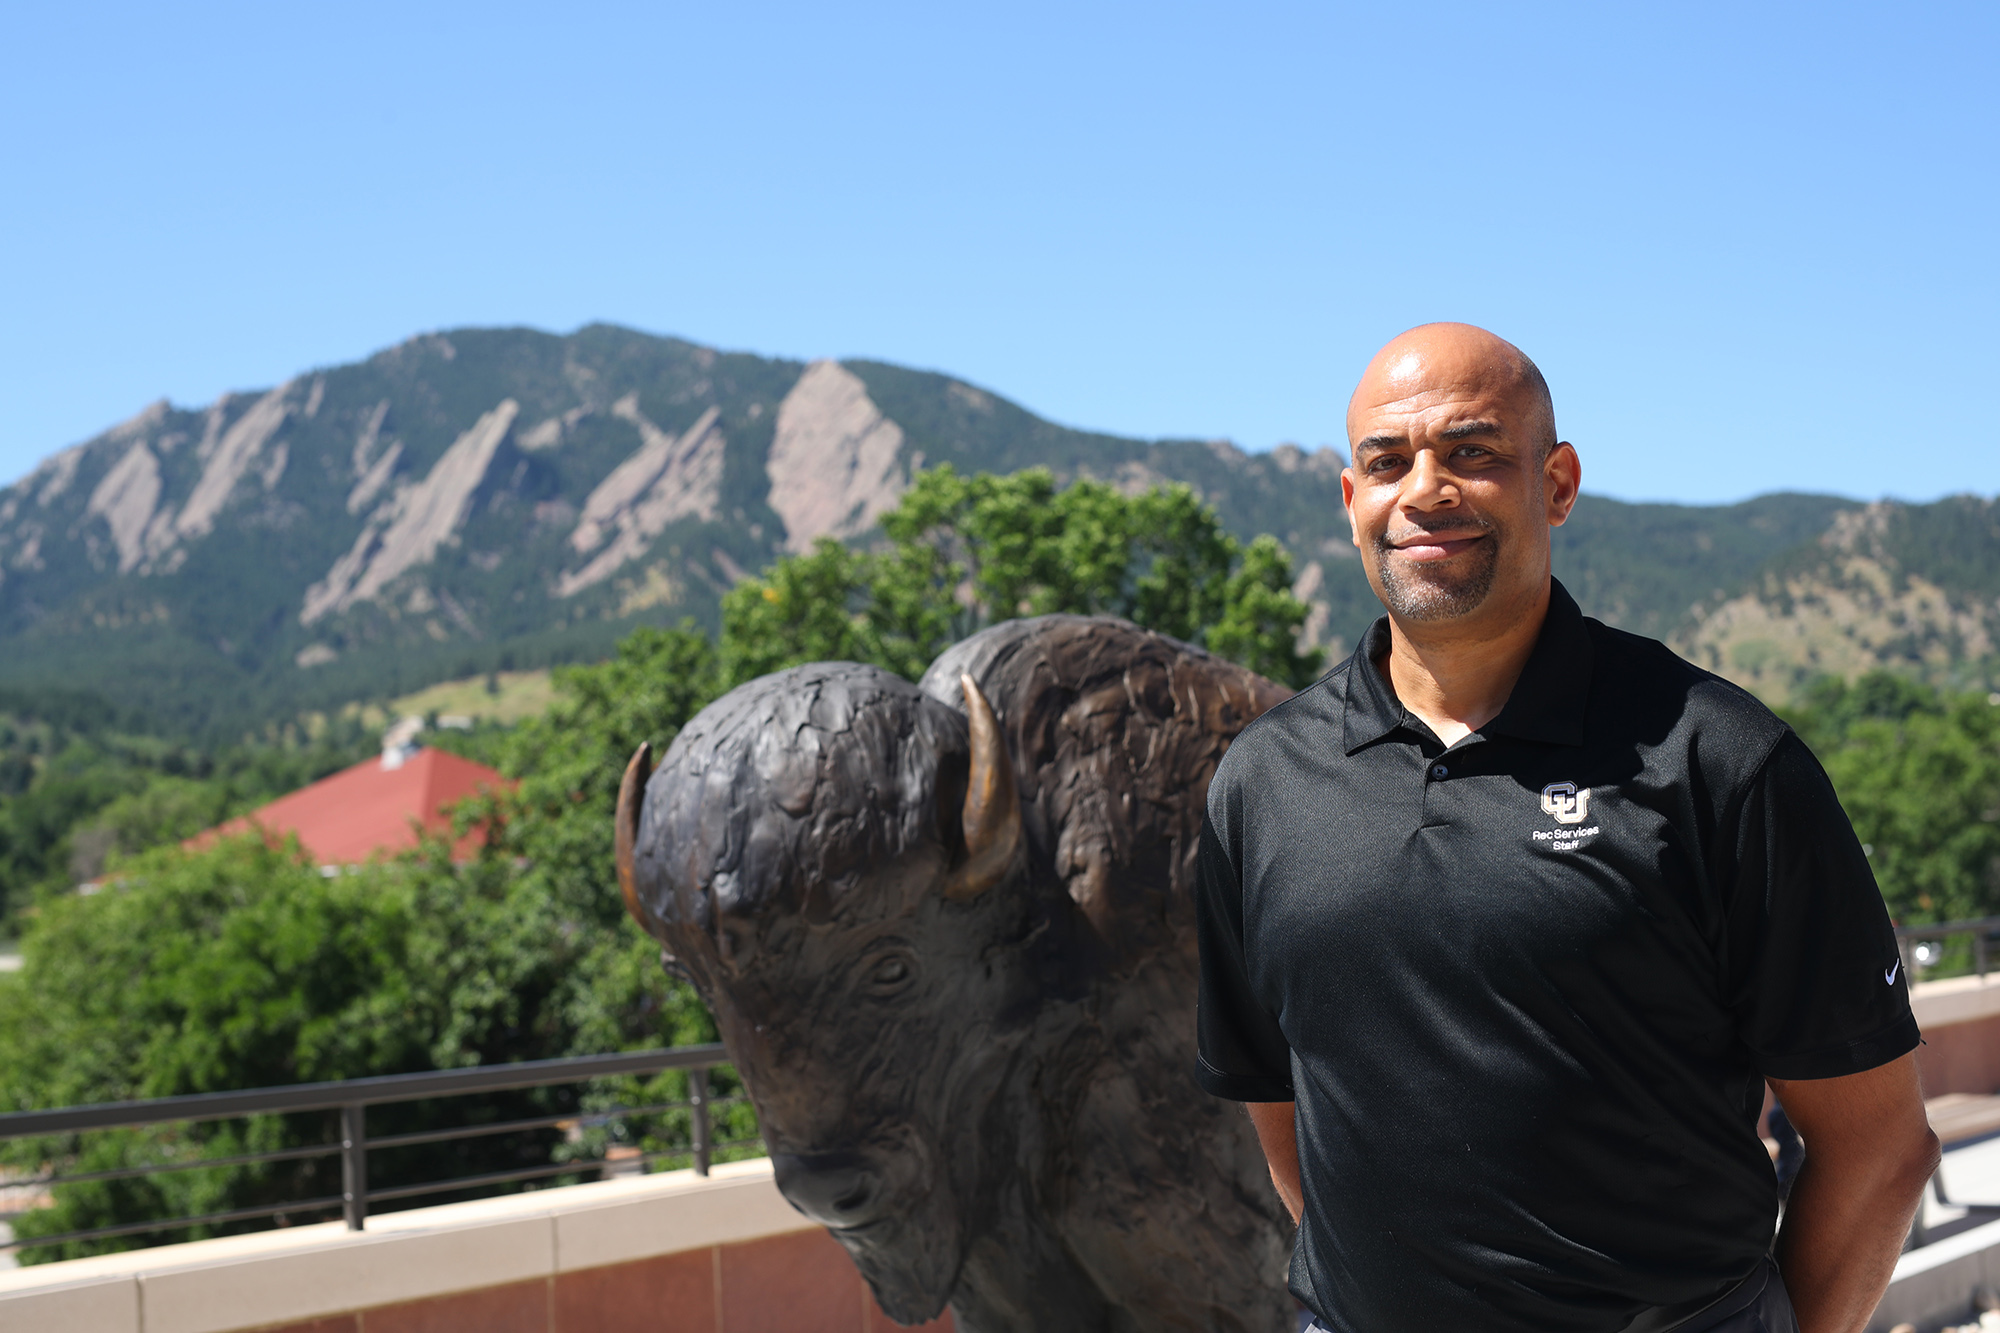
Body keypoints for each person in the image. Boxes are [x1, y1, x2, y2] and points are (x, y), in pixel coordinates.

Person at [1194, 324, 1940, 1333]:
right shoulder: (1261, 782)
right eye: (1386, 462)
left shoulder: (1715, 760)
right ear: (1349, 501)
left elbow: (1877, 1148)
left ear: (1555, 483)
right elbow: (1288, 1123)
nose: (1422, 489)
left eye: (1470, 452)